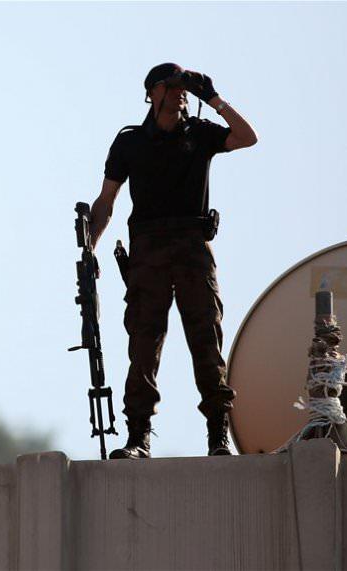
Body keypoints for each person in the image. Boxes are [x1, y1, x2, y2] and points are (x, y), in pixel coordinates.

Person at [89, 63, 258, 459]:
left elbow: (247, 137)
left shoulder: (199, 134)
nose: (181, 93)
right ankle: (138, 437)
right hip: (148, 251)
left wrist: (213, 99)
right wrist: (90, 248)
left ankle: (218, 435)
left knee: (206, 341)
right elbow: (106, 201)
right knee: (143, 345)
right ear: (152, 93)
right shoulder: (130, 142)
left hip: (192, 248)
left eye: (185, 88)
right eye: (172, 86)